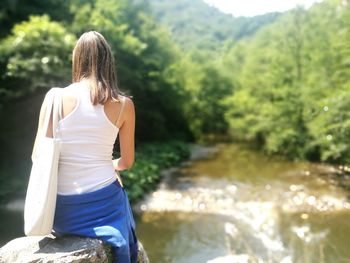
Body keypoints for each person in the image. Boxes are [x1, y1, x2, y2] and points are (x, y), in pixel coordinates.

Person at [31, 31, 138, 262]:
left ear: (77, 58)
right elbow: (127, 162)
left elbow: (38, 157)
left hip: (63, 212)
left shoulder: (55, 98)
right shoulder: (124, 105)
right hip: (106, 204)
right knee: (119, 190)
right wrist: (108, 163)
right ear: (108, 60)